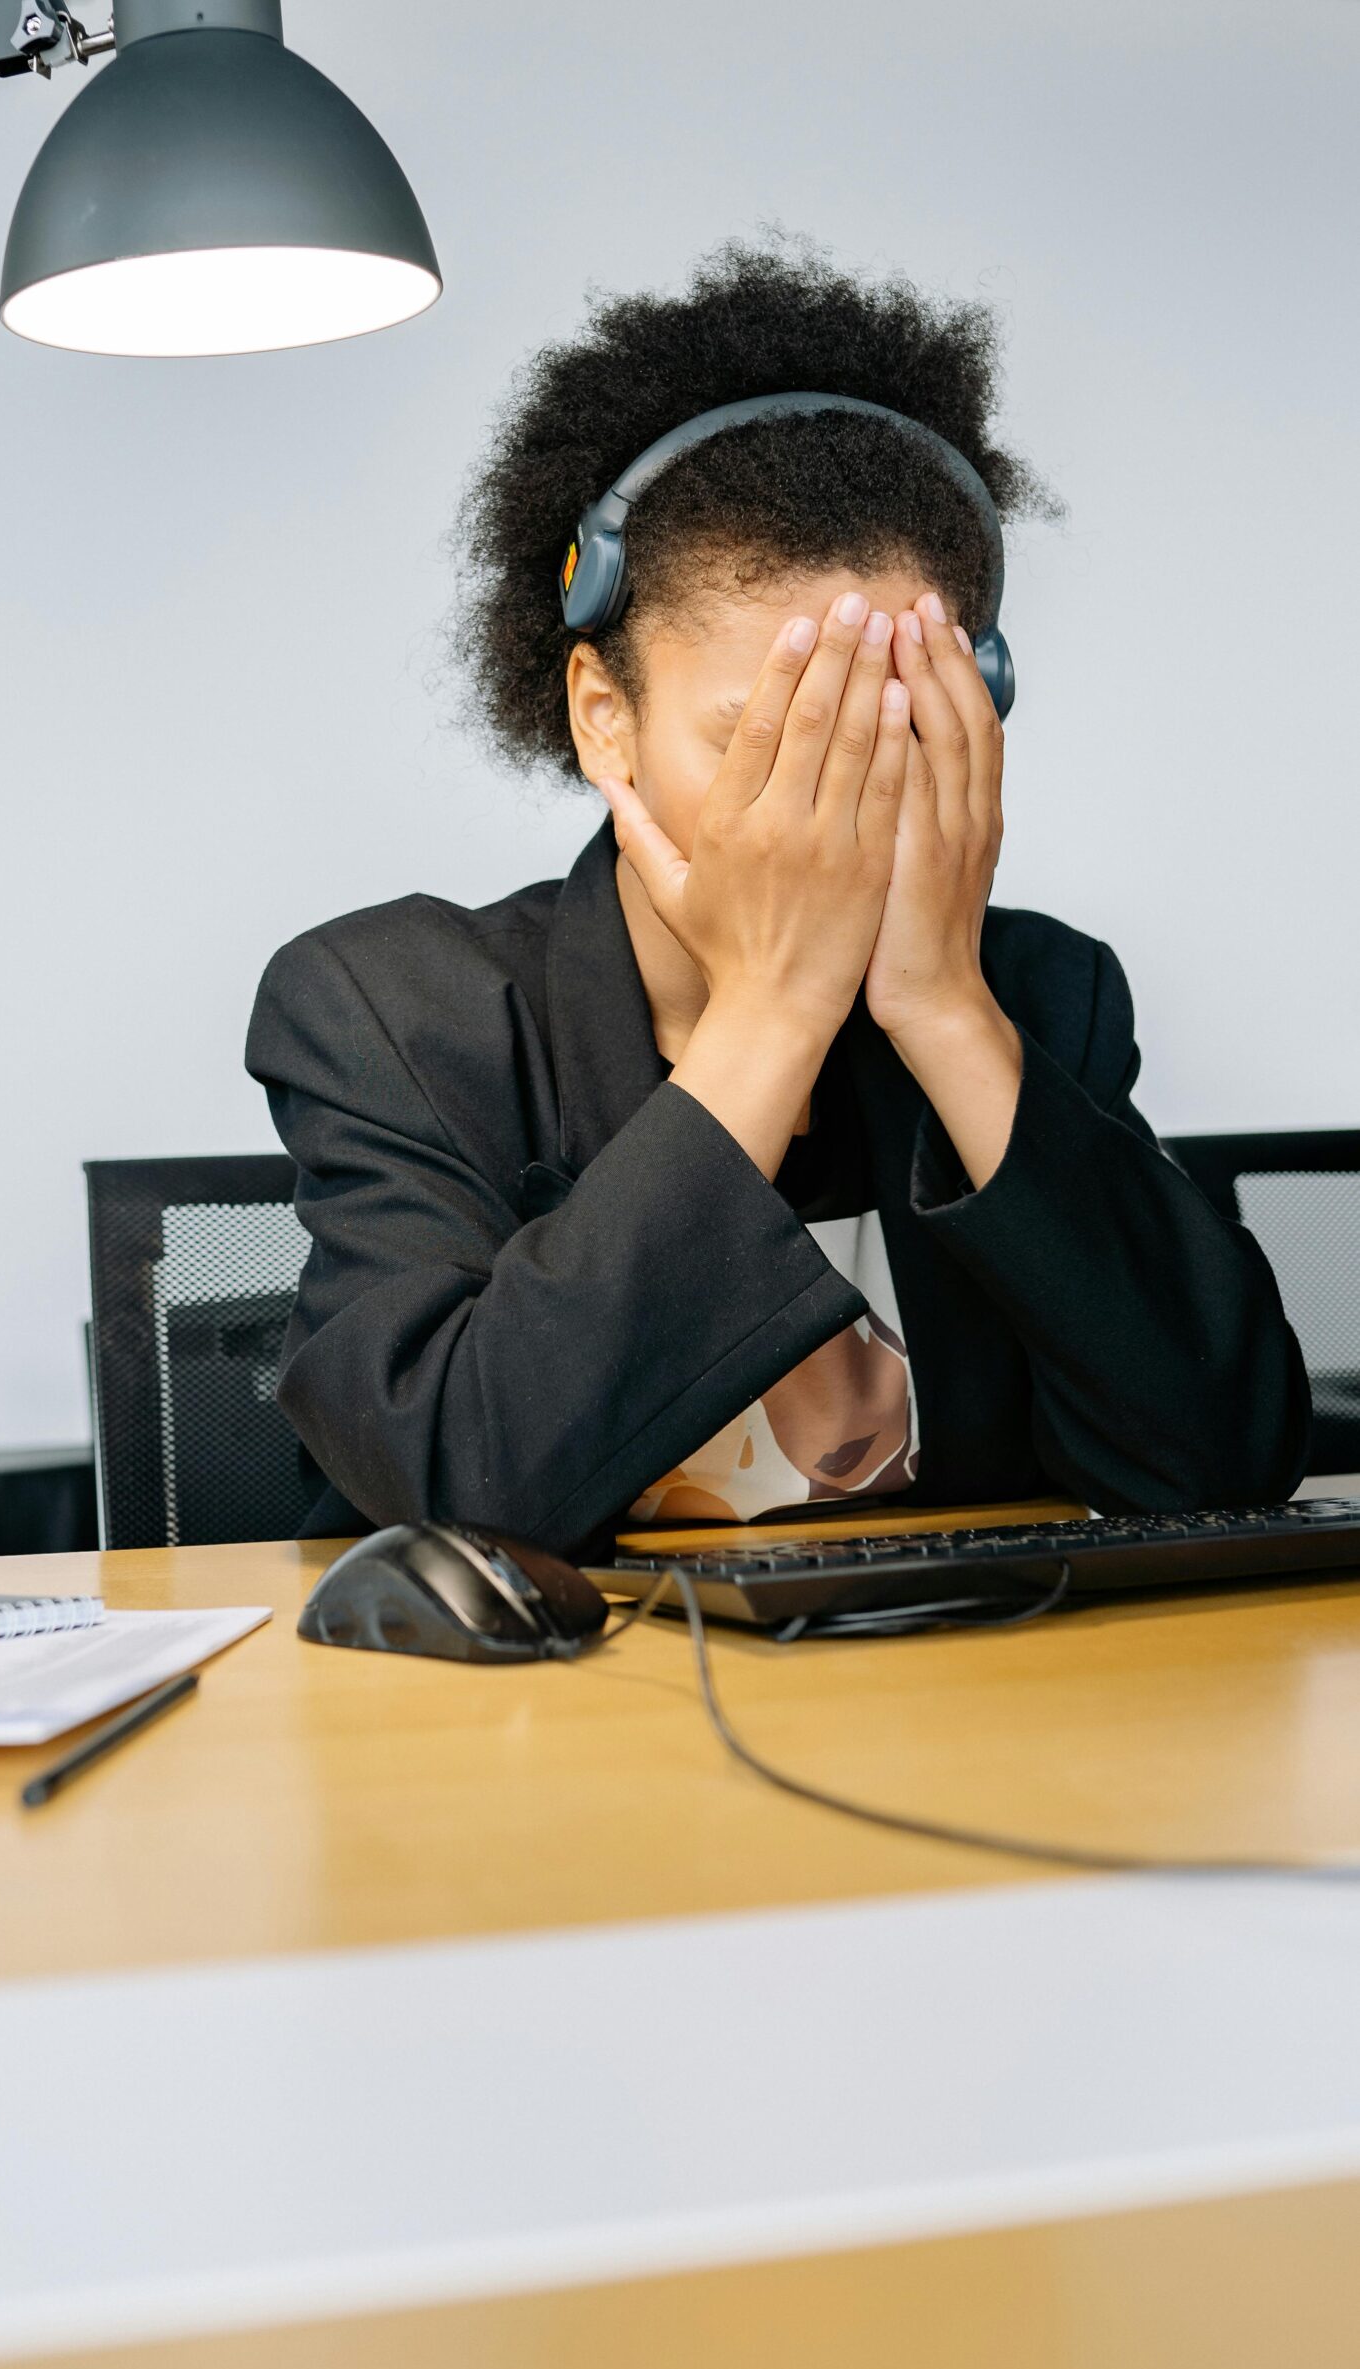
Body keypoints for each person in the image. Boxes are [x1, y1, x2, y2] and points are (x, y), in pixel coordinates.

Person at [245, 233, 1309, 1554]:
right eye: (762, 740)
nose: (823, 802)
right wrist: (774, 1011)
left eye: (888, 732)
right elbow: (471, 1496)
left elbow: (1226, 1461)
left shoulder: (1039, 997)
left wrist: (942, 1006)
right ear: (605, 721)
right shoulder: (399, 1014)